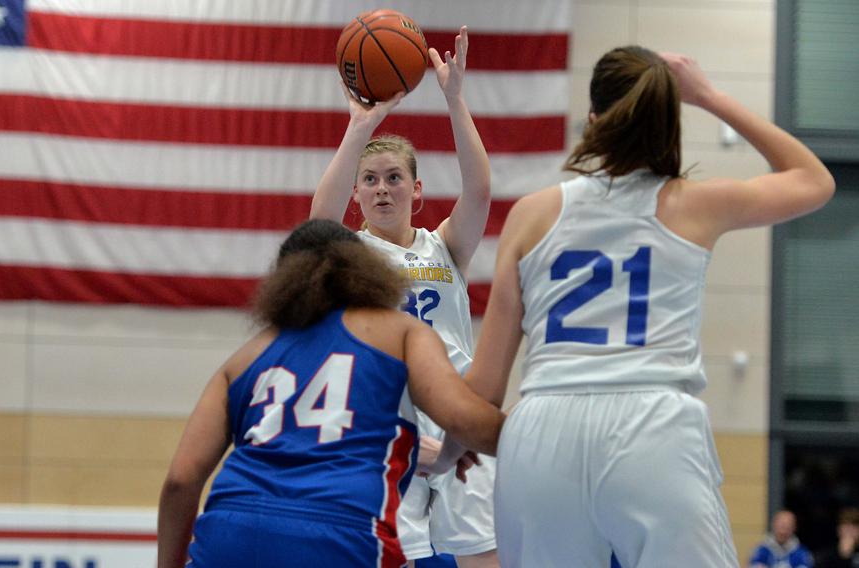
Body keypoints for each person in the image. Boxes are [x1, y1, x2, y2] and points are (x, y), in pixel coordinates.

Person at [461, 45, 836, 567]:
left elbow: (483, 388)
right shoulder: (694, 203)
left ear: (592, 123)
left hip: (542, 425)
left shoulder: (531, 215)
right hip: (649, 427)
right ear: (666, 123)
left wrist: (445, 442)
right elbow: (815, 180)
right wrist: (710, 96)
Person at [156, 219, 505, 568]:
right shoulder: (398, 332)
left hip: (232, 532)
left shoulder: (245, 358)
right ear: (365, 268)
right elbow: (463, 418)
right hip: (342, 529)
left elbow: (180, 481)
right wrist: (525, 438)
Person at [311, 26, 499, 568]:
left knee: (485, 557)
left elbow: (480, 189)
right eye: (369, 179)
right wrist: (361, 125)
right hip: (392, 427)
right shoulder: (351, 253)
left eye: (395, 178)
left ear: (416, 191)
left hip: (460, 421)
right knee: (400, 559)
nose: (382, 187)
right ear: (357, 193)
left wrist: (454, 98)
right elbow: (318, 222)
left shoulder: (446, 245)